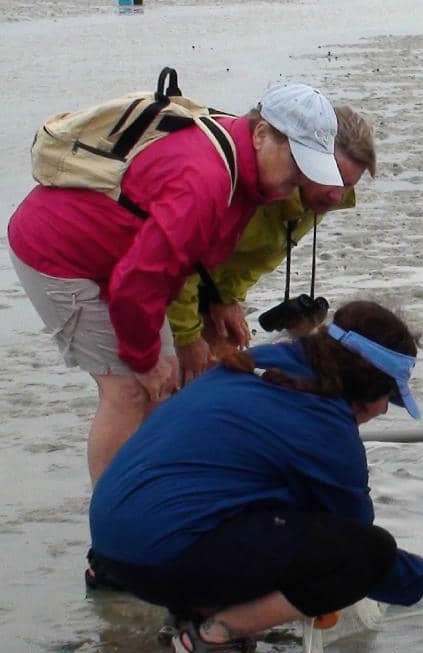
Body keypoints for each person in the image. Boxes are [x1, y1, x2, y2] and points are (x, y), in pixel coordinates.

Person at [88, 300, 423, 653]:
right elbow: (355, 545)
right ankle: (214, 637)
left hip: (111, 542)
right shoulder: (325, 424)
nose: (383, 410)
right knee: (369, 552)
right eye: (389, 399)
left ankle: (194, 607)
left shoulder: (260, 363)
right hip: (157, 556)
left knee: (268, 508)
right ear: (367, 388)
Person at [8, 81, 343, 485]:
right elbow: (139, 282)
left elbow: (187, 260)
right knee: (129, 389)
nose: (302, 179)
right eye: (297, 163)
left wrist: (216, 304)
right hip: (58, 253)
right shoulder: (205, 180)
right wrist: (144, 358)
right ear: (260, 134)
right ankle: (115, 511)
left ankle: (153, 490)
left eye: (310, 168)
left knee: (165, 382)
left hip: (120, 259)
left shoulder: (244, 167)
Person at [169, 105, 377, 384]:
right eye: (333, 179)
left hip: (198, 275)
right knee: (156, 382)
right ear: (307, 160)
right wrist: (187, 337)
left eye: (348, 185)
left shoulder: (315, 197)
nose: (336, 196)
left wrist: (225, 298)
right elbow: (175, 262)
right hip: (150, 266)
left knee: (218, 365)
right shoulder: (252, 188)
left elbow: (257, 258)